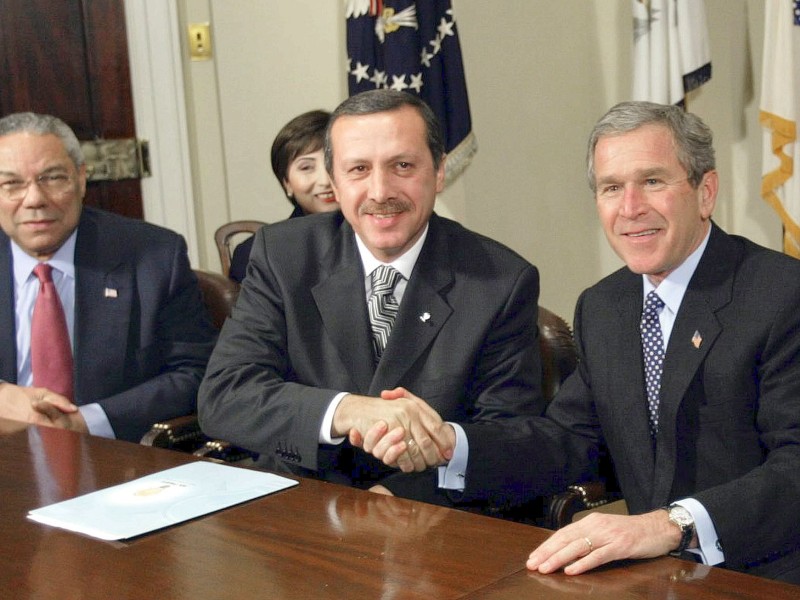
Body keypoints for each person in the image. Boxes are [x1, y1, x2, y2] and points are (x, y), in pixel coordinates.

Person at [199, 89, 544, 507]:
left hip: (425, 516)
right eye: (358, 169)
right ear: (335, 180)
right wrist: (349, 410)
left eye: (402, 165)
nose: (380, 191)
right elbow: (225, 395)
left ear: (438, 171)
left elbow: (507, 438)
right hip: (300, 506)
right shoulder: (282, 254)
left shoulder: (499, 280)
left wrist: (398, 495)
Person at [516, 101, 800, 583]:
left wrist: (672, 525)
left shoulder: (782, 294)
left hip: (769, 574)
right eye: (611, 188)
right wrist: (450, 447)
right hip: (655, 579)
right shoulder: (603, 307)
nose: (630, 208)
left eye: (652, 181)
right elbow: (567, 440)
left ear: (705, 192)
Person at [0, 112, 216, 442]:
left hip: (114, 461)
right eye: (12, 184)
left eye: (53, 178)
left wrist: (87, 421)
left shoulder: (154, 256)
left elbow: (196, 372)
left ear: (82, 178)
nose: (34, 200)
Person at [228, 109, 338, 283]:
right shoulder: (255, 253)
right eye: (306, 167)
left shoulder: (381, 237)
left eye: (333, 163)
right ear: (286, 182)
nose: (324, 180)